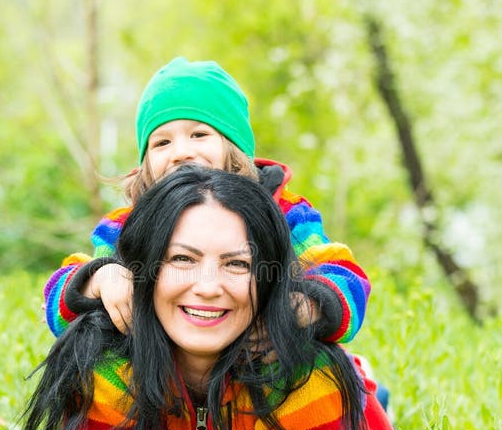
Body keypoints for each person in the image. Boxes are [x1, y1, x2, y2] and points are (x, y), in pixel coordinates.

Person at [19, 167, 406, 430]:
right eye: (182, 258)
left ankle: (365, 386)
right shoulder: (109, 371)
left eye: (237, 264)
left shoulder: (301, 377)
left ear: (269, 281)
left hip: (308, 388)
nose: (206, 286)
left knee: (346, 386)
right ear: (140, 274)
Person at [44, 57, 371, 355]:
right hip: (168, 378)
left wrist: (299, 308)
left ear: (234, 147)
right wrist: (100, 277)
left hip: (265, 371)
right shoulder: (124, 224)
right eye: (162, 142)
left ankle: (365, 385)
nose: (180, 152)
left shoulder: (288, 216)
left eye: (199, 135)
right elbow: (59, 309)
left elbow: (347, 282)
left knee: (331, 371)